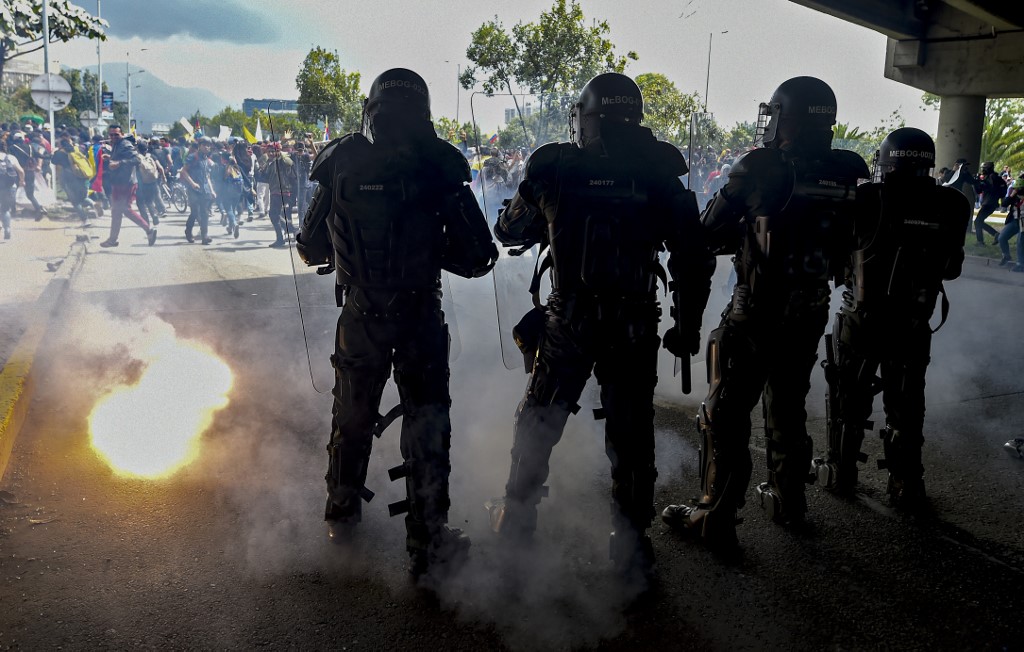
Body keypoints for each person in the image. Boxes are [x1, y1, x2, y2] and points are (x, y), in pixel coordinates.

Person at [485, 73, 714, 578]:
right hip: (634, 322)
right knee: (632, 432)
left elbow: (508, 229)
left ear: (586, 118)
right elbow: (694, 257)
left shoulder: (554, 166)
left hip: (568, 320)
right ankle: (631, 545)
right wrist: (688, 326)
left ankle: (516, 526)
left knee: (539, 418)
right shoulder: (659, 170)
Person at [295, 68, 498, 582]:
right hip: (419, 318)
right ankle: (428, 543)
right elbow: (479, 256)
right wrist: (428, 253)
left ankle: (341, 518)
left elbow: (310, 245)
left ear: (373, 109)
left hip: (360, 315)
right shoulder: (441, 163)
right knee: (427, 426)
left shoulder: (340, 159)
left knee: (352, 415)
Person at [661, 77, 870, 549]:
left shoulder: (761, 166)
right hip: (810, 312)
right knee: (788, 407)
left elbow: (709, 228)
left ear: (785, 118)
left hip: (755, 313)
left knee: (725, 413)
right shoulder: (846, 172)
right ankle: (789, 501)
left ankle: (714, 515)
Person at [810, 128, 969, 507]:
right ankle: (906, 483)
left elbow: (832, 251)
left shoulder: (867, 198)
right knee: (907, 405)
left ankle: (842, 472)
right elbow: (951, 270)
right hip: (914, 321)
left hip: (862, 318)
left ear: (887, 160)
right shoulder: (953, 203)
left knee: (849, 400)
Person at [100, 125, 156, 248]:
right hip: (119, 182)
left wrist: (119, 163)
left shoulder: (125, 144)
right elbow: (122, 158)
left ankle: (148, 229)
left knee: (124, 209)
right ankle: (113, 239)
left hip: (126, 183)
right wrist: (111, 158)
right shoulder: (117, 144)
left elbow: (136, 159)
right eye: (111, 135)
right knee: (116, 211)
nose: (113, 137)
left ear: (122, 134)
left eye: (116, 134)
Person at [179, 136, 216, 244]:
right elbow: (183, 171)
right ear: (199, 146)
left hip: (205, 190)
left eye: (208, 145)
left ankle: (205, 236)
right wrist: (192, 183)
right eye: (204, 145)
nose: (206, 147)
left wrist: (212, 190)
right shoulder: (192, 157)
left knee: (204, 212)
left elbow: (207, 176)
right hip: (193, 190)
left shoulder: (207, 160)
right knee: (195, 212)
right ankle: (188, 231)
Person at [972, 161, 1005, 245]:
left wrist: (981, 182)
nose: (983, 170)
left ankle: (981, 241)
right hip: (989, 203)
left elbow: (991, 187)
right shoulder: (990, 177)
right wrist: (976, 183)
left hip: (989, 203)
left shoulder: (992, 177)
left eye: (984, 168)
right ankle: (995, 234)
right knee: (979, 221)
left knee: (977, 221)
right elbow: (979, 191)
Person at [0, 140, 25, 239]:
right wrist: (22, 181)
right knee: (5, 209)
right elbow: (21, 171)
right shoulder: (11, 158)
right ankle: (7, 229)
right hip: (10, 187)